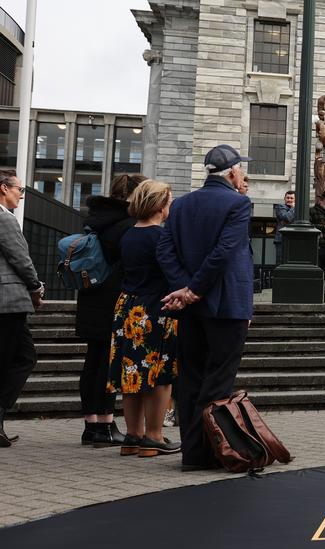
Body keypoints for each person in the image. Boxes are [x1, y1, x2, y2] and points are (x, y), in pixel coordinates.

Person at [156, 144, 255, 471]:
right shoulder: (238, 204)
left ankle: (193, 453)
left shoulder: (181, 205)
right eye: (240, 169)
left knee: (190, 379)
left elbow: (165, 250)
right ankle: (214, 452)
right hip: (226, 306)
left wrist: (185, 289)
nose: (242, 174)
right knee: (218, 381)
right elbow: (224, 252)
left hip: (190, 310)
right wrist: (193, 290)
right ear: (232, 172)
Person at [107, 180, 181, 457]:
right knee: (160, 375)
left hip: (127, 307)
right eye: (169, 202)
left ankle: (133, 436)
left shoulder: (128, 234)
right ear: (160, 207)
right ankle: (154, 436)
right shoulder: (161, 237)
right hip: (155, 308)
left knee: (132, 373)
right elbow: (171, 272)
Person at [74, 172, 146, 448]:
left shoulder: (96, 219)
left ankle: (90, 425)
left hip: (91, 296)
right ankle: (105, 425)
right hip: (114, 299)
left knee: (92, 362)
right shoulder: (128, 224)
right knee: (107, 364)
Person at [0, 171, 44, 447]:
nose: (21, 195)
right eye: (20, 189)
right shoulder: (4, 219)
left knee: (18, 357)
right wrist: (36, 287)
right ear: (4, 188)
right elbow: (20, 259)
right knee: (21, 358)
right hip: (7, 303)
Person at [272, 190, 296, 263]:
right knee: (280, 262)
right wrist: (293, 208)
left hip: (293, 240)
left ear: (295, 200)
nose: (289, 200)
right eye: (287, 198)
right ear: (284, 198)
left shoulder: (297, 209)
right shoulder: (280, 207)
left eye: (291, 198)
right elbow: (287, 218)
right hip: (281, 240)